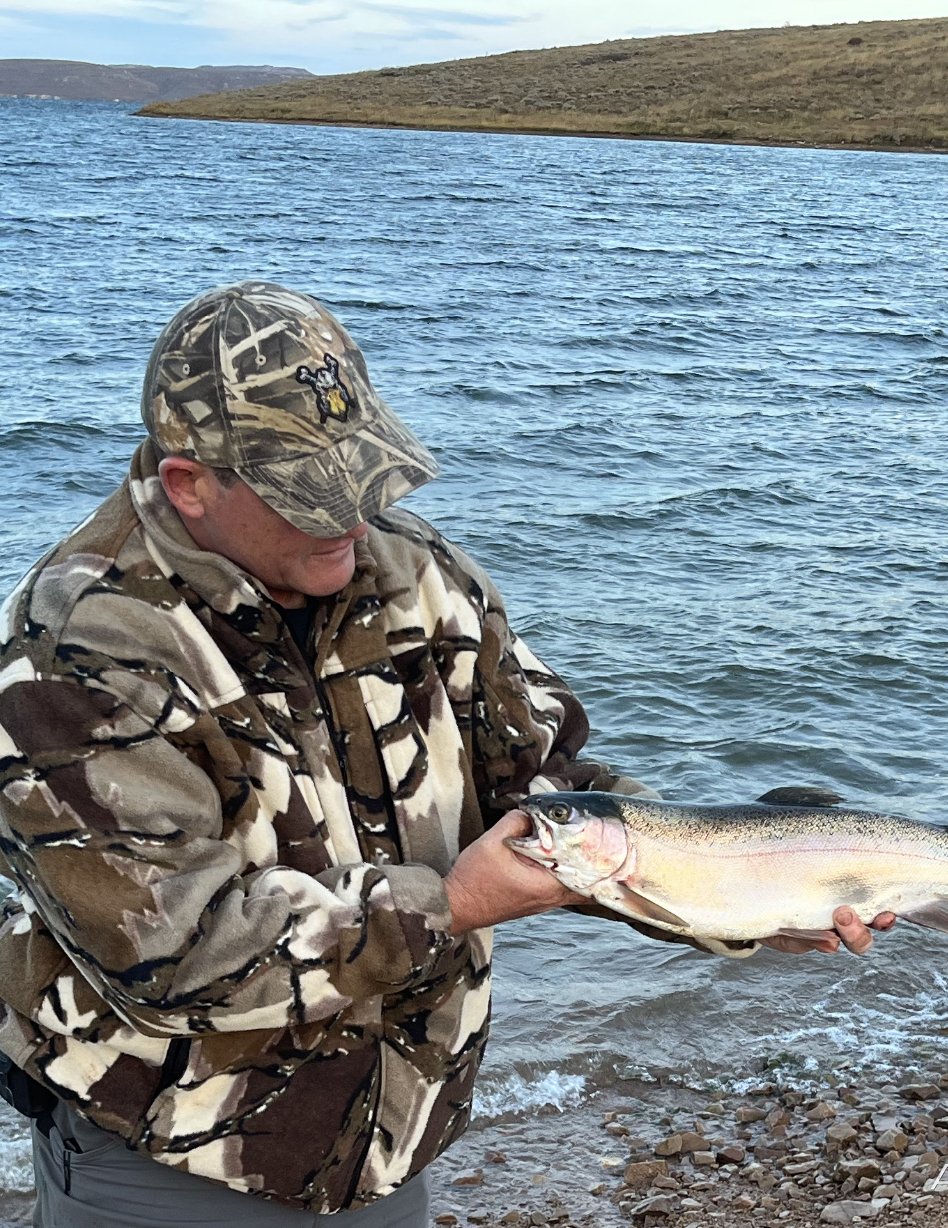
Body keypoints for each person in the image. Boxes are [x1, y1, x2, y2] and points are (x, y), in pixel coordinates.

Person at [0, 281, 887, 1226]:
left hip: (394, 1134)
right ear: (190, 486)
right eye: (311, 496)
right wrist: (454, 903)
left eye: (363, 477)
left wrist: (738, 902)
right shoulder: (77, 652)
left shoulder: (411, 570)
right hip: (172, 1158)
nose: (353, 518)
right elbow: (173, 949)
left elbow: (546, 779)